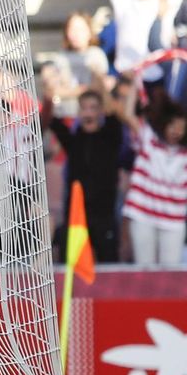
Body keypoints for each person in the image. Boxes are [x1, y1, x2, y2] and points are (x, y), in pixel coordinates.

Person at [43, 89, 124, 263]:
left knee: (108, 264)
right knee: (68, 266)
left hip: (104, 215)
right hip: (76, 216)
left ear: (100, 111)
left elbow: (114, 112)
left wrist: (99, 81)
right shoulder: (73, 140)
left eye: (93, 108)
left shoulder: (111, 136)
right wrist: (48, 97)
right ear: (78, 112)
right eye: (84, 108)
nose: (88, 113)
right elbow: (48, 119)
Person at [115, 85, 187, 267]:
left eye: (181, 128)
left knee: (170, 272)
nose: (176, 131)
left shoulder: (184, 154)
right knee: (144, 269)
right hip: (143, 214)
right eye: (173, 126)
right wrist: (133, 84)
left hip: (173, 220)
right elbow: (128, 115)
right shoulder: (148, 138)